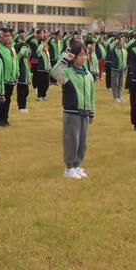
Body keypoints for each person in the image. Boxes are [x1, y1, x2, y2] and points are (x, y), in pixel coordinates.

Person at [51, 41, 95, 180]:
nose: (84, 58)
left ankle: (77, 165)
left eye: (85, 55)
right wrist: (65, 59)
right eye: (80, 55)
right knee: (72, 141)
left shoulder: (88, 75)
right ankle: (69, 168)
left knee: (82, 142)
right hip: (72, 113)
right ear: (74, 57)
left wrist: (92, 112)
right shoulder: (67, 74)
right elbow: (54, 72)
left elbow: (91, 95)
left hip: (85, 113)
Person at [0, 28, 17, 126]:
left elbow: (15, 62)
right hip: (2, 79)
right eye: (5, 36)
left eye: (9, 36)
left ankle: (5, 118)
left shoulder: (12, 48)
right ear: (1, 37)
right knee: (1, 100)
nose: (8, 38)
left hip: (11, 79)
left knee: (8, 100)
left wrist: (17, 75)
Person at [109, 37, 127, 103]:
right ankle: (115, 97)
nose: (123, 43)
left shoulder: (124, 50)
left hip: (122, 69)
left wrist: (125, 67)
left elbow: (125, 59)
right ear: (117, 43)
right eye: (121, 41)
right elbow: (110, 46)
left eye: (123, 41)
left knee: (120, 84)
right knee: (115, 84)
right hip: (115, 69)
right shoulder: (114, 49)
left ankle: (120, 96)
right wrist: (115, 41)